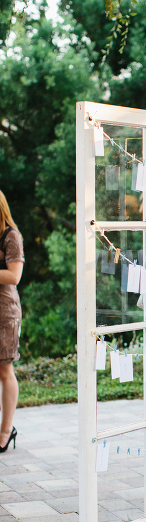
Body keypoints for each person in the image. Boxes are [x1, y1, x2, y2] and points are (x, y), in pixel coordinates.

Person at [0, 190, 23, 453]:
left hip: (5, 312)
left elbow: (14, 276)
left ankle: (6, 431)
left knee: (4, 370)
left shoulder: (11, 236)